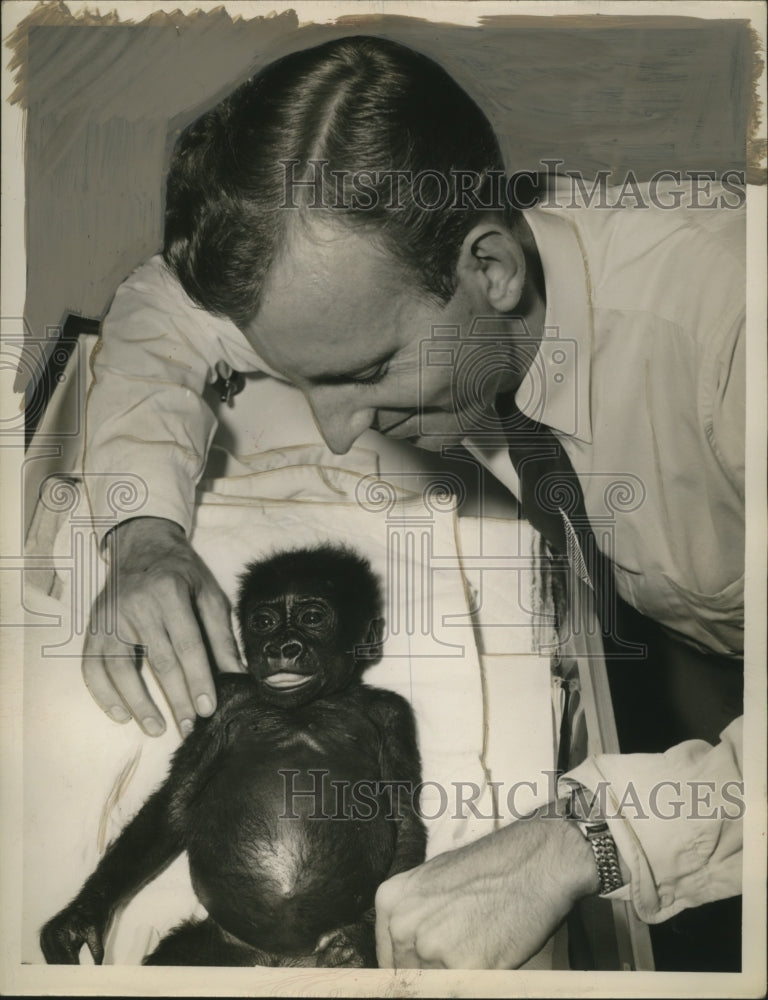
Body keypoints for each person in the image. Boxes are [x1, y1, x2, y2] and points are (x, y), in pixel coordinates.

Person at [81, 35, 745, 968]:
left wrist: (587, 839)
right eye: (302, 378)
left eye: (365, 373)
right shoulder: (373, 273)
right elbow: (159, 307)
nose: (342, 432)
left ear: (492, 270)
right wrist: (143, 533)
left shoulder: (730, 336)